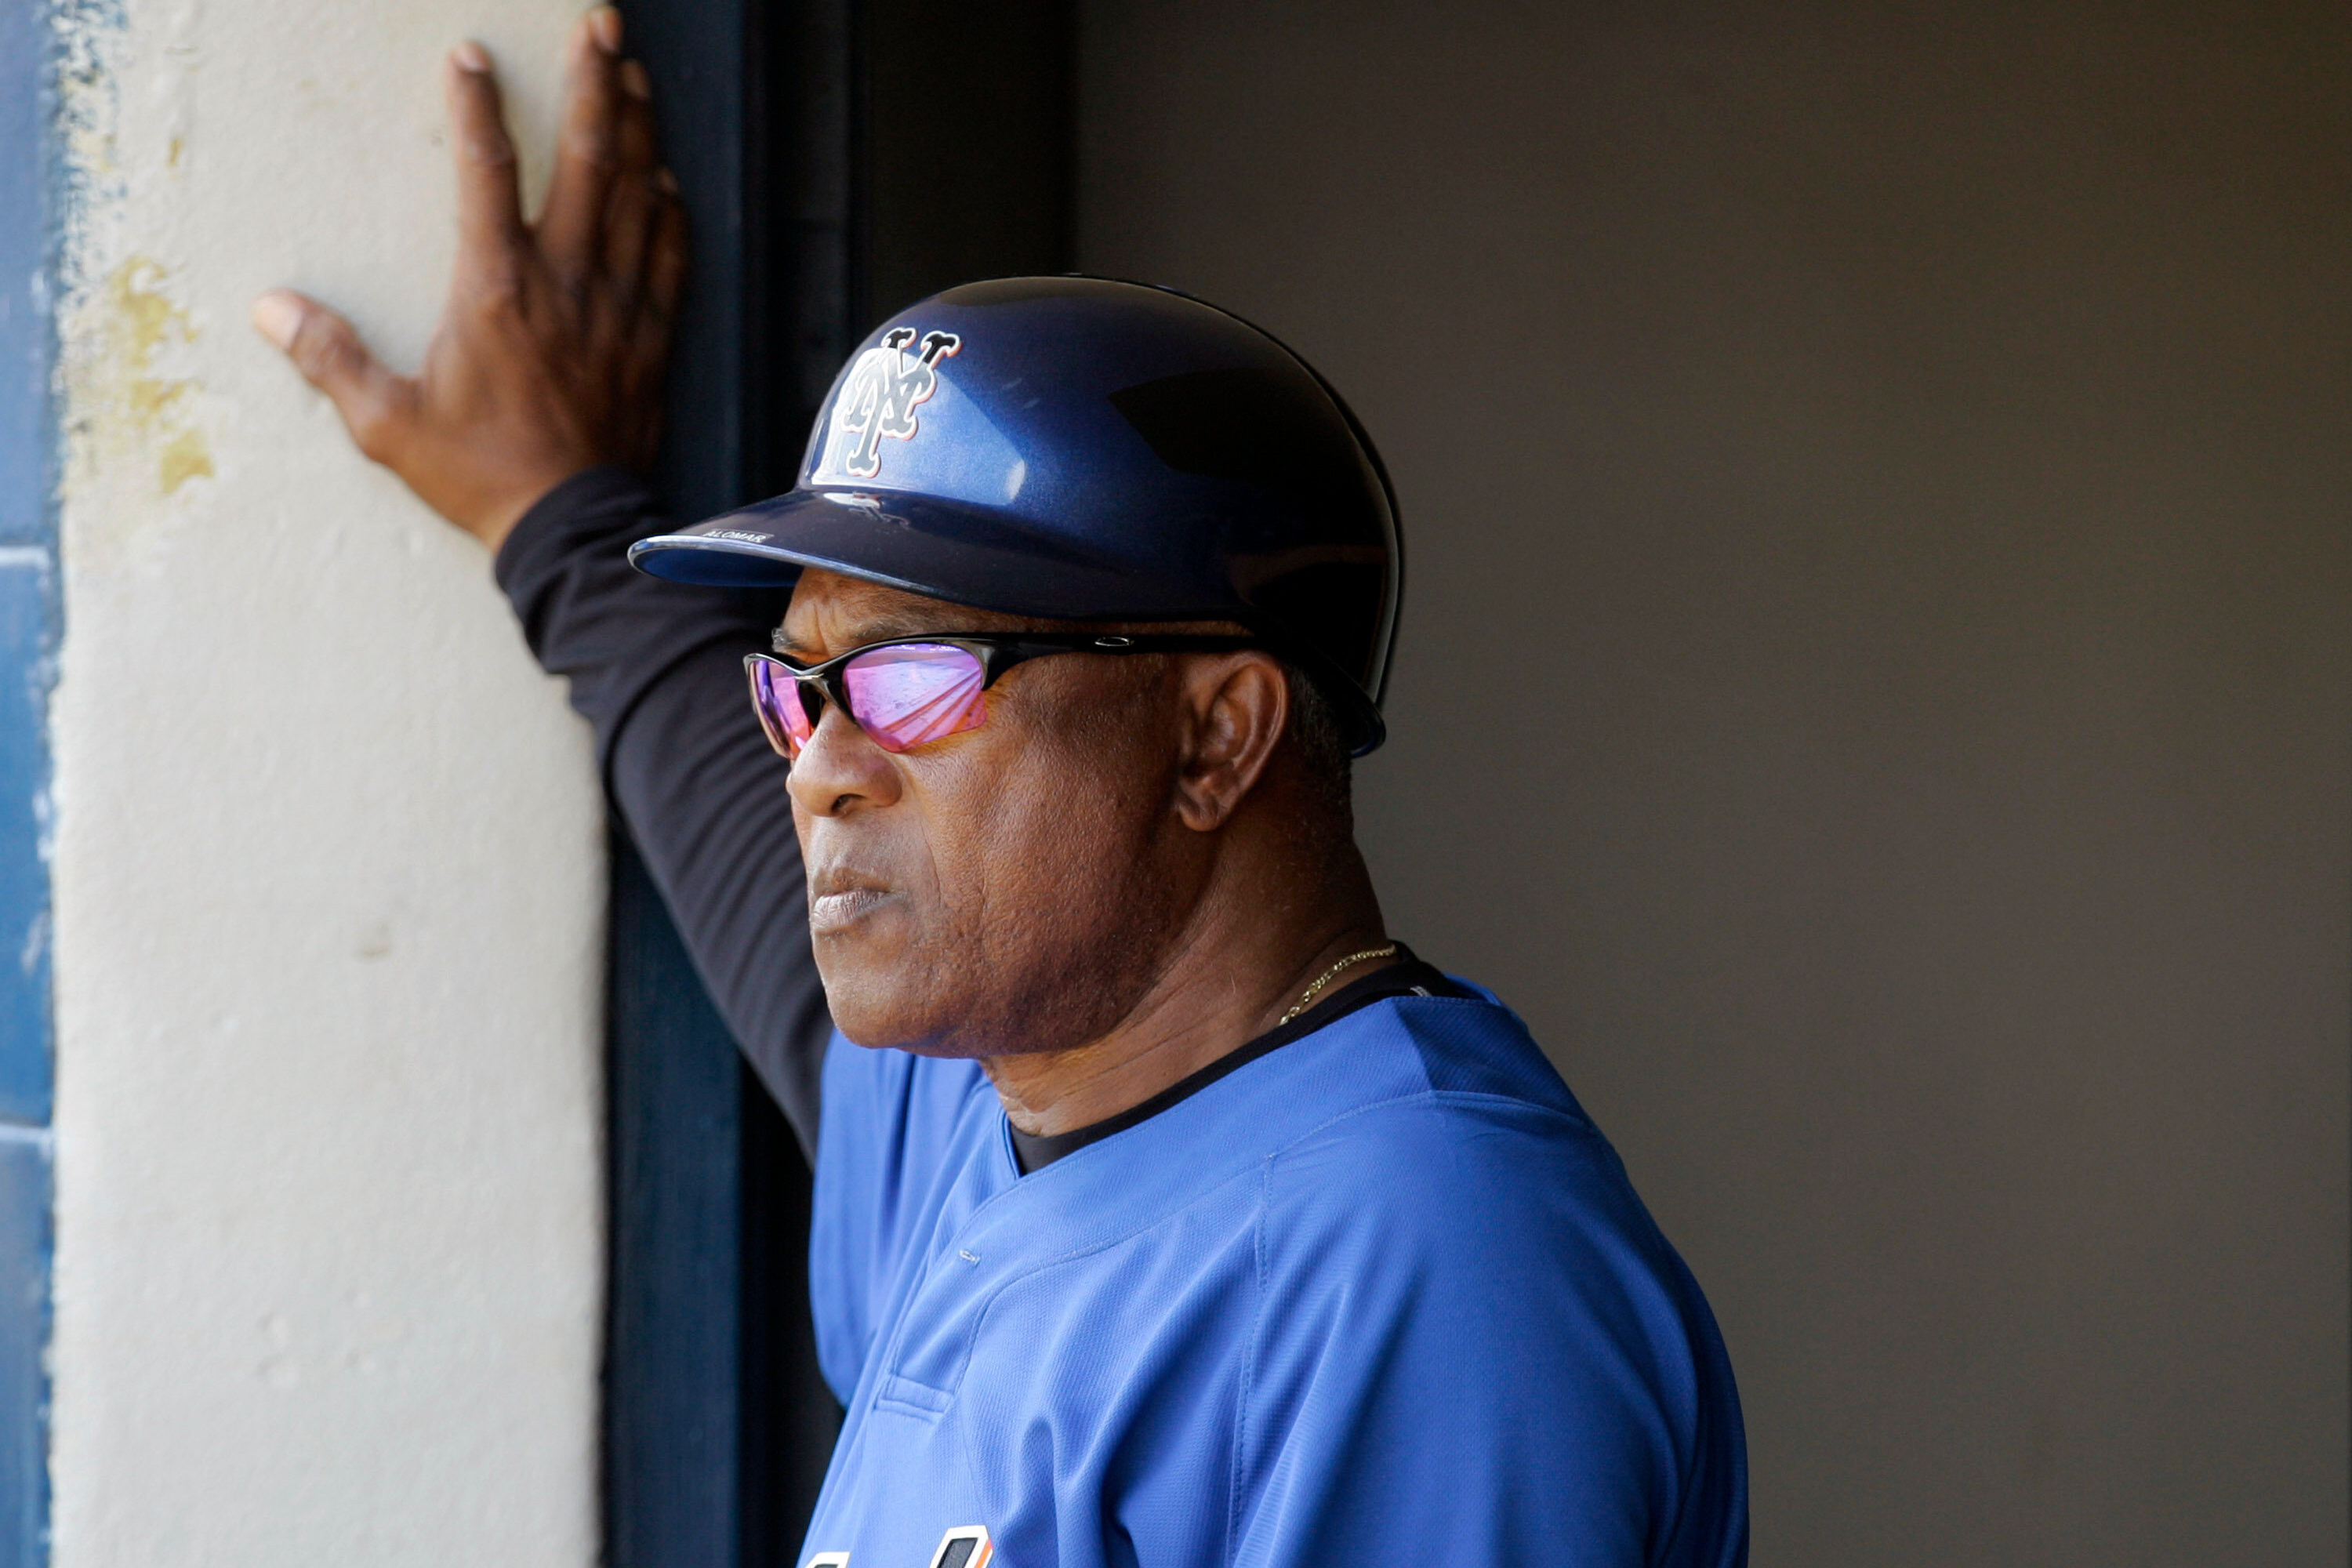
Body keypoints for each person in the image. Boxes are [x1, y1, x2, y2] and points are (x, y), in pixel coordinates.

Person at [252, 14, 1748, 1567]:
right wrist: (553, 523)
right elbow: (766, 901)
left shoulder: (1425, 1262)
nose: (827, 766)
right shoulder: (997, 1085)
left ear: (1216, 737)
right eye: (802, 686)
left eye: (918, 680)